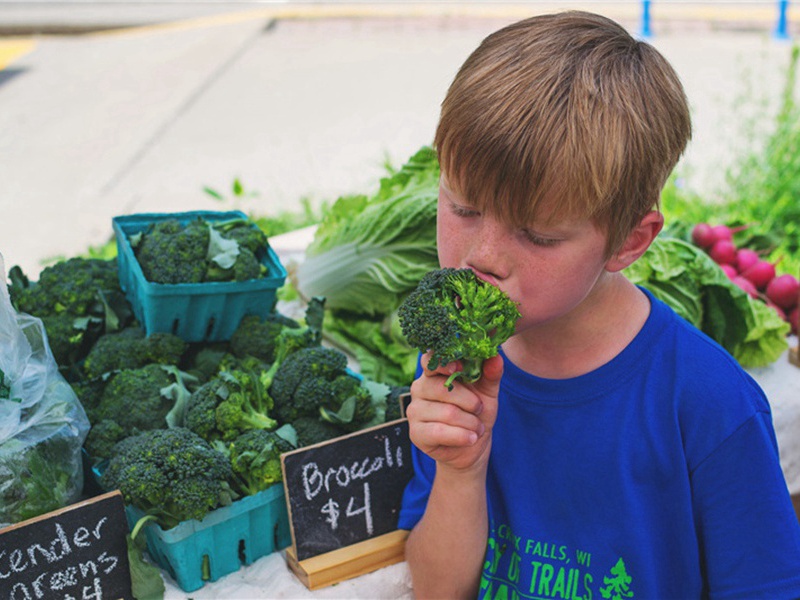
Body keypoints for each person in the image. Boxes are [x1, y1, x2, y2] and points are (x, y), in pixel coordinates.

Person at [397, 10, 800, 599]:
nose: (483, 256)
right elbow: (437, 590)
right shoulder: (453, 366)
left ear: (630, 241)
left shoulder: (709, 402)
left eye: (536, 236)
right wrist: (461, 470)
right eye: (462, 208)